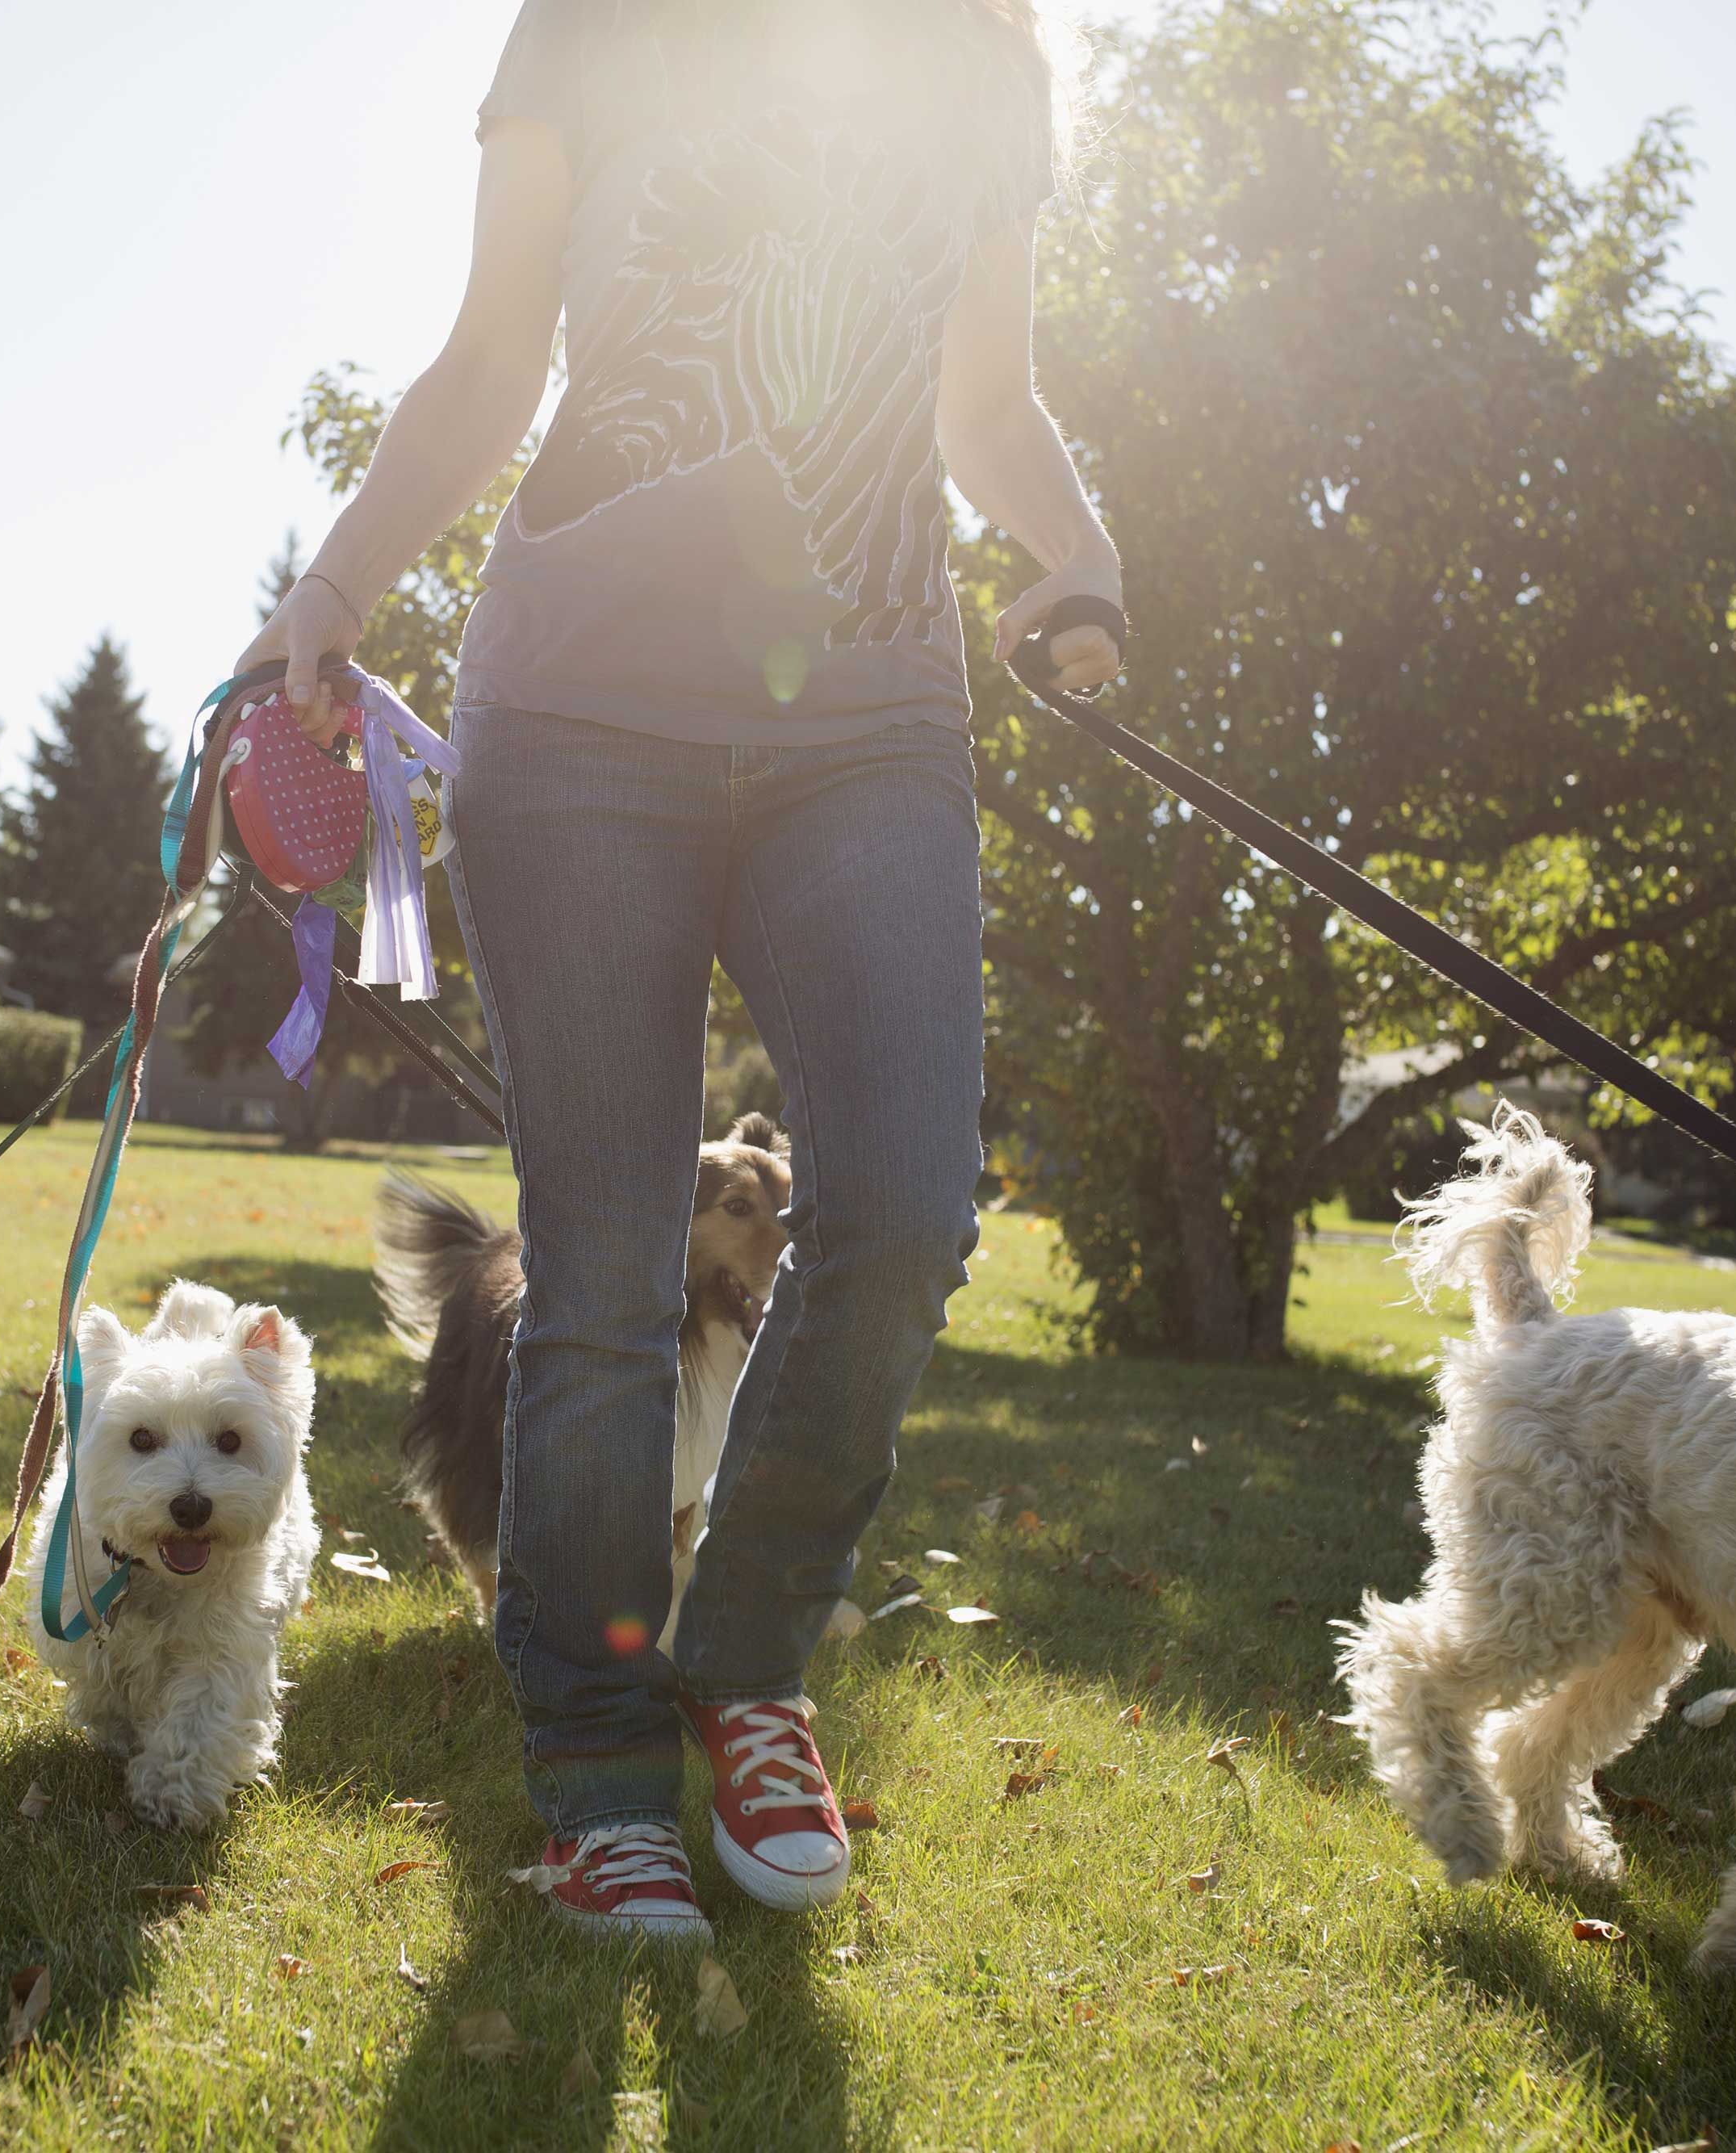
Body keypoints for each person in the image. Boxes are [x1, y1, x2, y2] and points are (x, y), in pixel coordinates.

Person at [239, 0, 1126, 1941]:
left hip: (871, 711)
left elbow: (987, 400)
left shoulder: (985, 61)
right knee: (607, 1270)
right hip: (574, 709)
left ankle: (742, 1669)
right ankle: (591, 1760)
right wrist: (335, 583)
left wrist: (1072, 552)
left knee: (896, 1207)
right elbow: (491, 357)